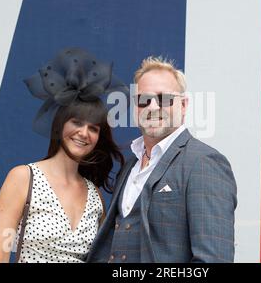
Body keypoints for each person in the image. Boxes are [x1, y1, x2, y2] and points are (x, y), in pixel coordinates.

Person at [87, 56, 237, 263]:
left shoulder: (204, 162)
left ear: (184, 106)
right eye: (144, 99)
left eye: (164, 98)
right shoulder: (130, 165)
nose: (153, 107)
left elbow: (213, 260)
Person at [0, 48, 126, 262]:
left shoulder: (95, 196)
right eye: (76, 122)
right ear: (60, 126)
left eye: (93, 128)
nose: (84, 133)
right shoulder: (24, 178)